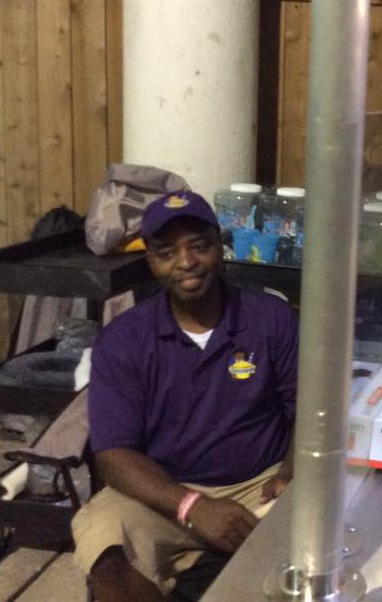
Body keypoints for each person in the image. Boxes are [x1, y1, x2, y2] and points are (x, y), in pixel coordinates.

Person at [71, 191, 298, 601]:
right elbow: (112, 454)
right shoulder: (124, 339)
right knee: (104, 543)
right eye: (167, 252)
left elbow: (311, 412)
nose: (186, 262)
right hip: (166, 492)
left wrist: (290, 473)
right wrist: (192, 506)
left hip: (260, 488)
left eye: (199, 246)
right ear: (152, 263)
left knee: (290, 559)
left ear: (219, 246)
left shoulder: (271, 318)